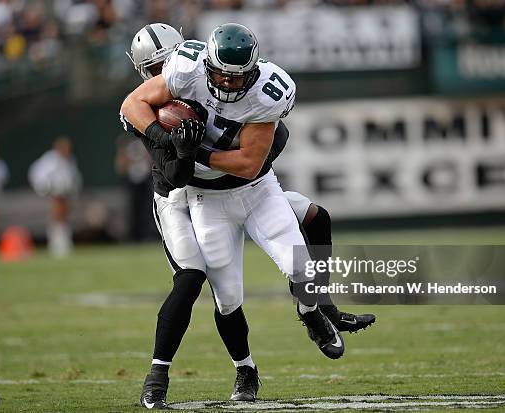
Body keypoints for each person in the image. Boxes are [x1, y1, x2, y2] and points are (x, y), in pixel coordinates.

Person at [122, 23, 375, 408]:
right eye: (221, 72)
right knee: (226, 298)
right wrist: (171, 141)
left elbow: (249, 162)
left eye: (237, 75)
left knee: (303, 266)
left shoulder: (268, 91)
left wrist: (195, 151)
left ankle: (312, 310)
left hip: (256, 191)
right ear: (205, 63)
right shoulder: (182, 72)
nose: (227, 82)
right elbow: (142, 122)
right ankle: (245, 370)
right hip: (204, 201)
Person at [29, 136, 82, 257]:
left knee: (63, 219)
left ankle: (64, 243)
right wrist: (47, 189)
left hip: (66, 194)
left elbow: (74, 177)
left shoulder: (70, 159)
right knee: (57, 218)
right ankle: (56, 245)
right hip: (55, 194)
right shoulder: (50, 160)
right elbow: (37, 174)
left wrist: (73, 191)